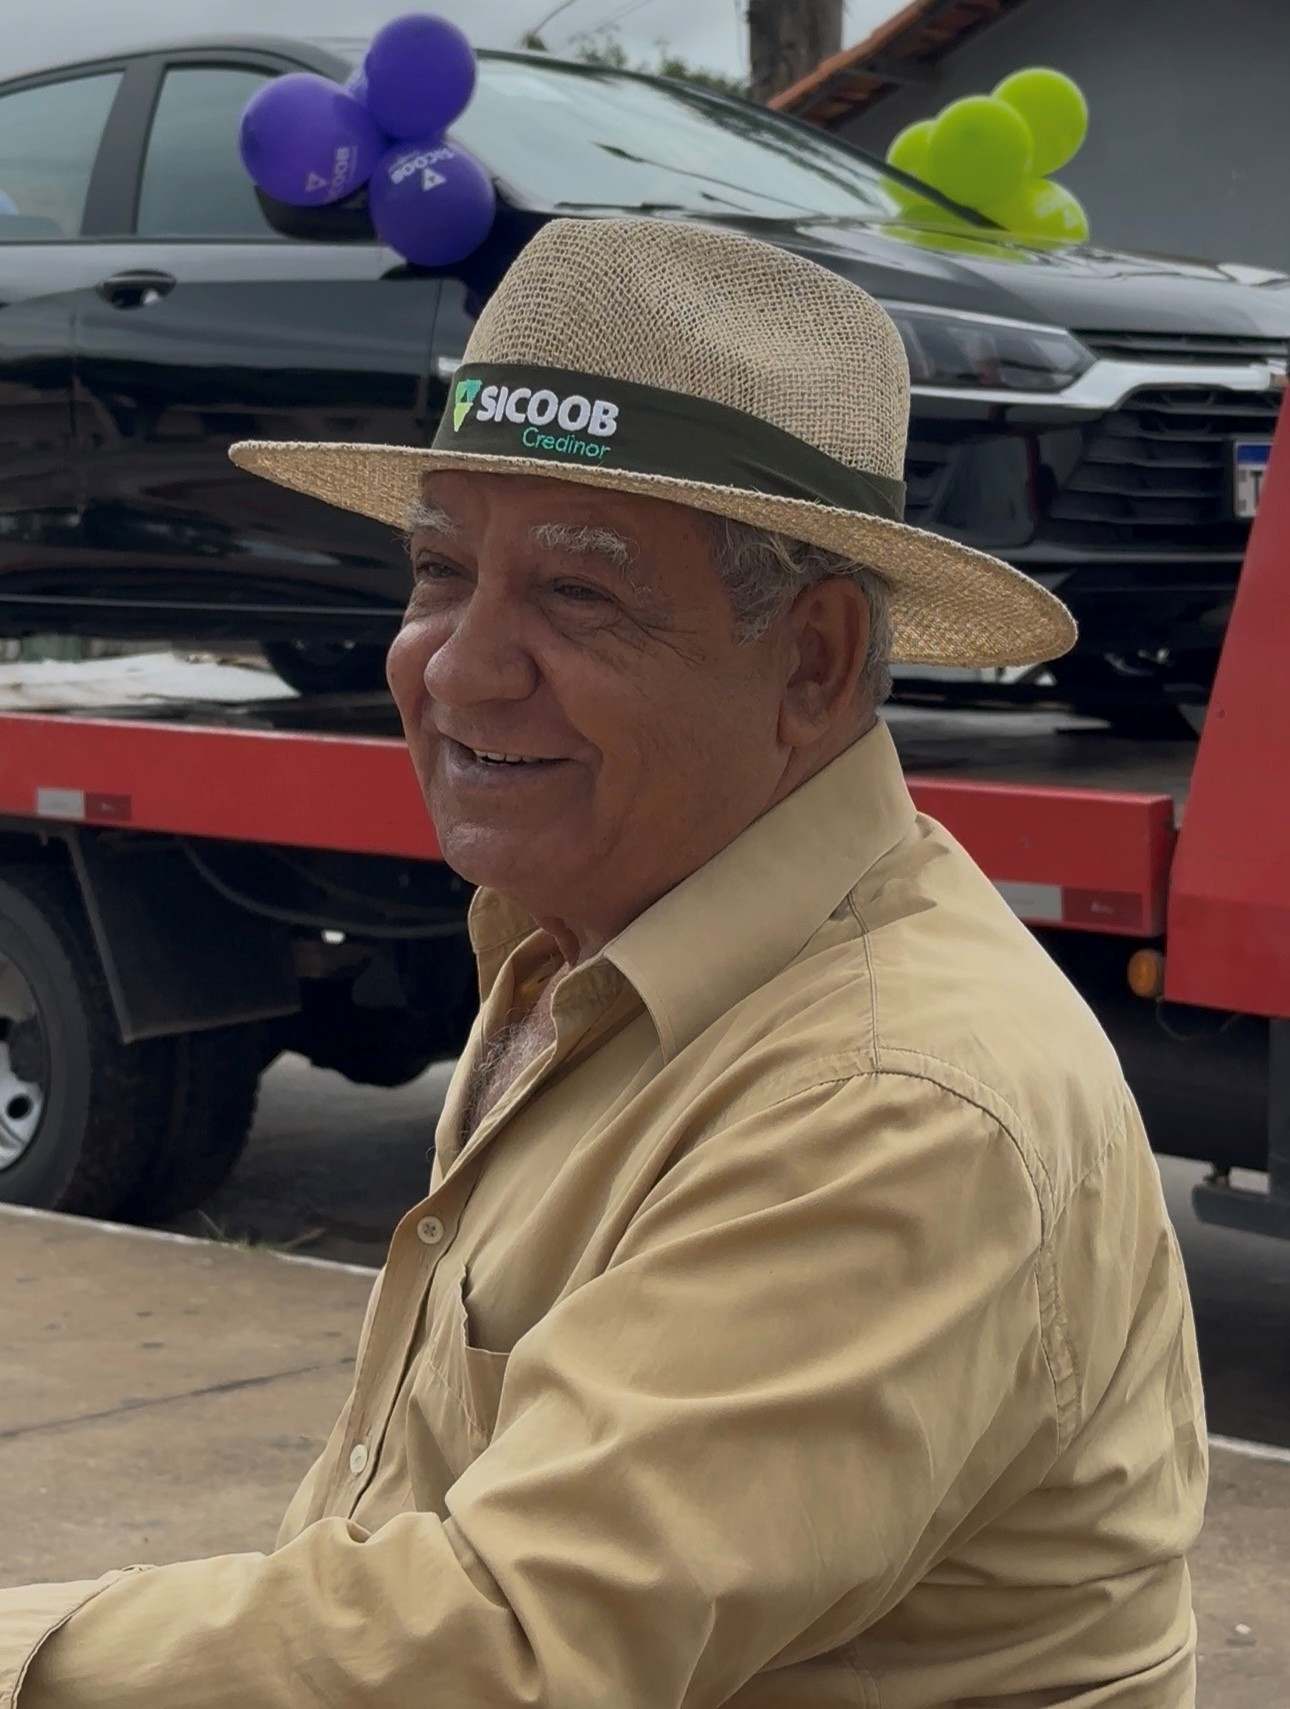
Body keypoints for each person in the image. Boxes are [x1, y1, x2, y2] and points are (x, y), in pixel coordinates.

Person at [0, 218, 1205, 1707]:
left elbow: (509, 1642)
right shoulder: (596, 942)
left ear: (815, 661)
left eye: (577, 594)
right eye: (439, 570)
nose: (458, 664)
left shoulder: (886, 1098)